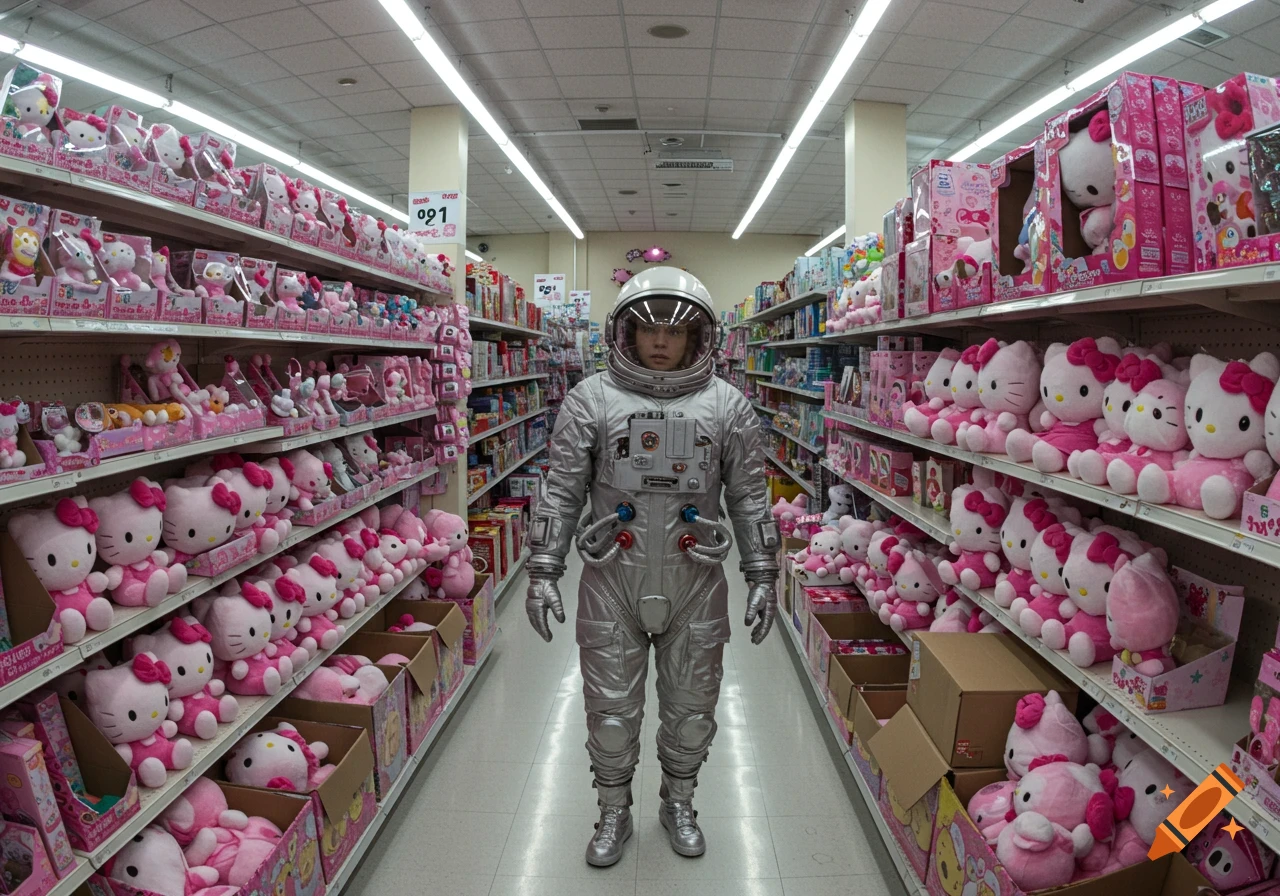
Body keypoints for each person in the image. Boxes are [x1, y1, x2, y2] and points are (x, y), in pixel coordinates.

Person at [525, 267, 780, 867]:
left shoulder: (729, 407)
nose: (660, 342)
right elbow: (560, 490)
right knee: (610, 713)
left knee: (692, 709)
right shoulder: (591, 399)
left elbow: (749, 496)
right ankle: (614, 809)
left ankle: (679, 801)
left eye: (675, 332)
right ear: (626, 336)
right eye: (647, 331)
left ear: (698, 340)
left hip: (696, 579)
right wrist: (541, 568)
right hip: (614, 575)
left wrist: (764, 573)